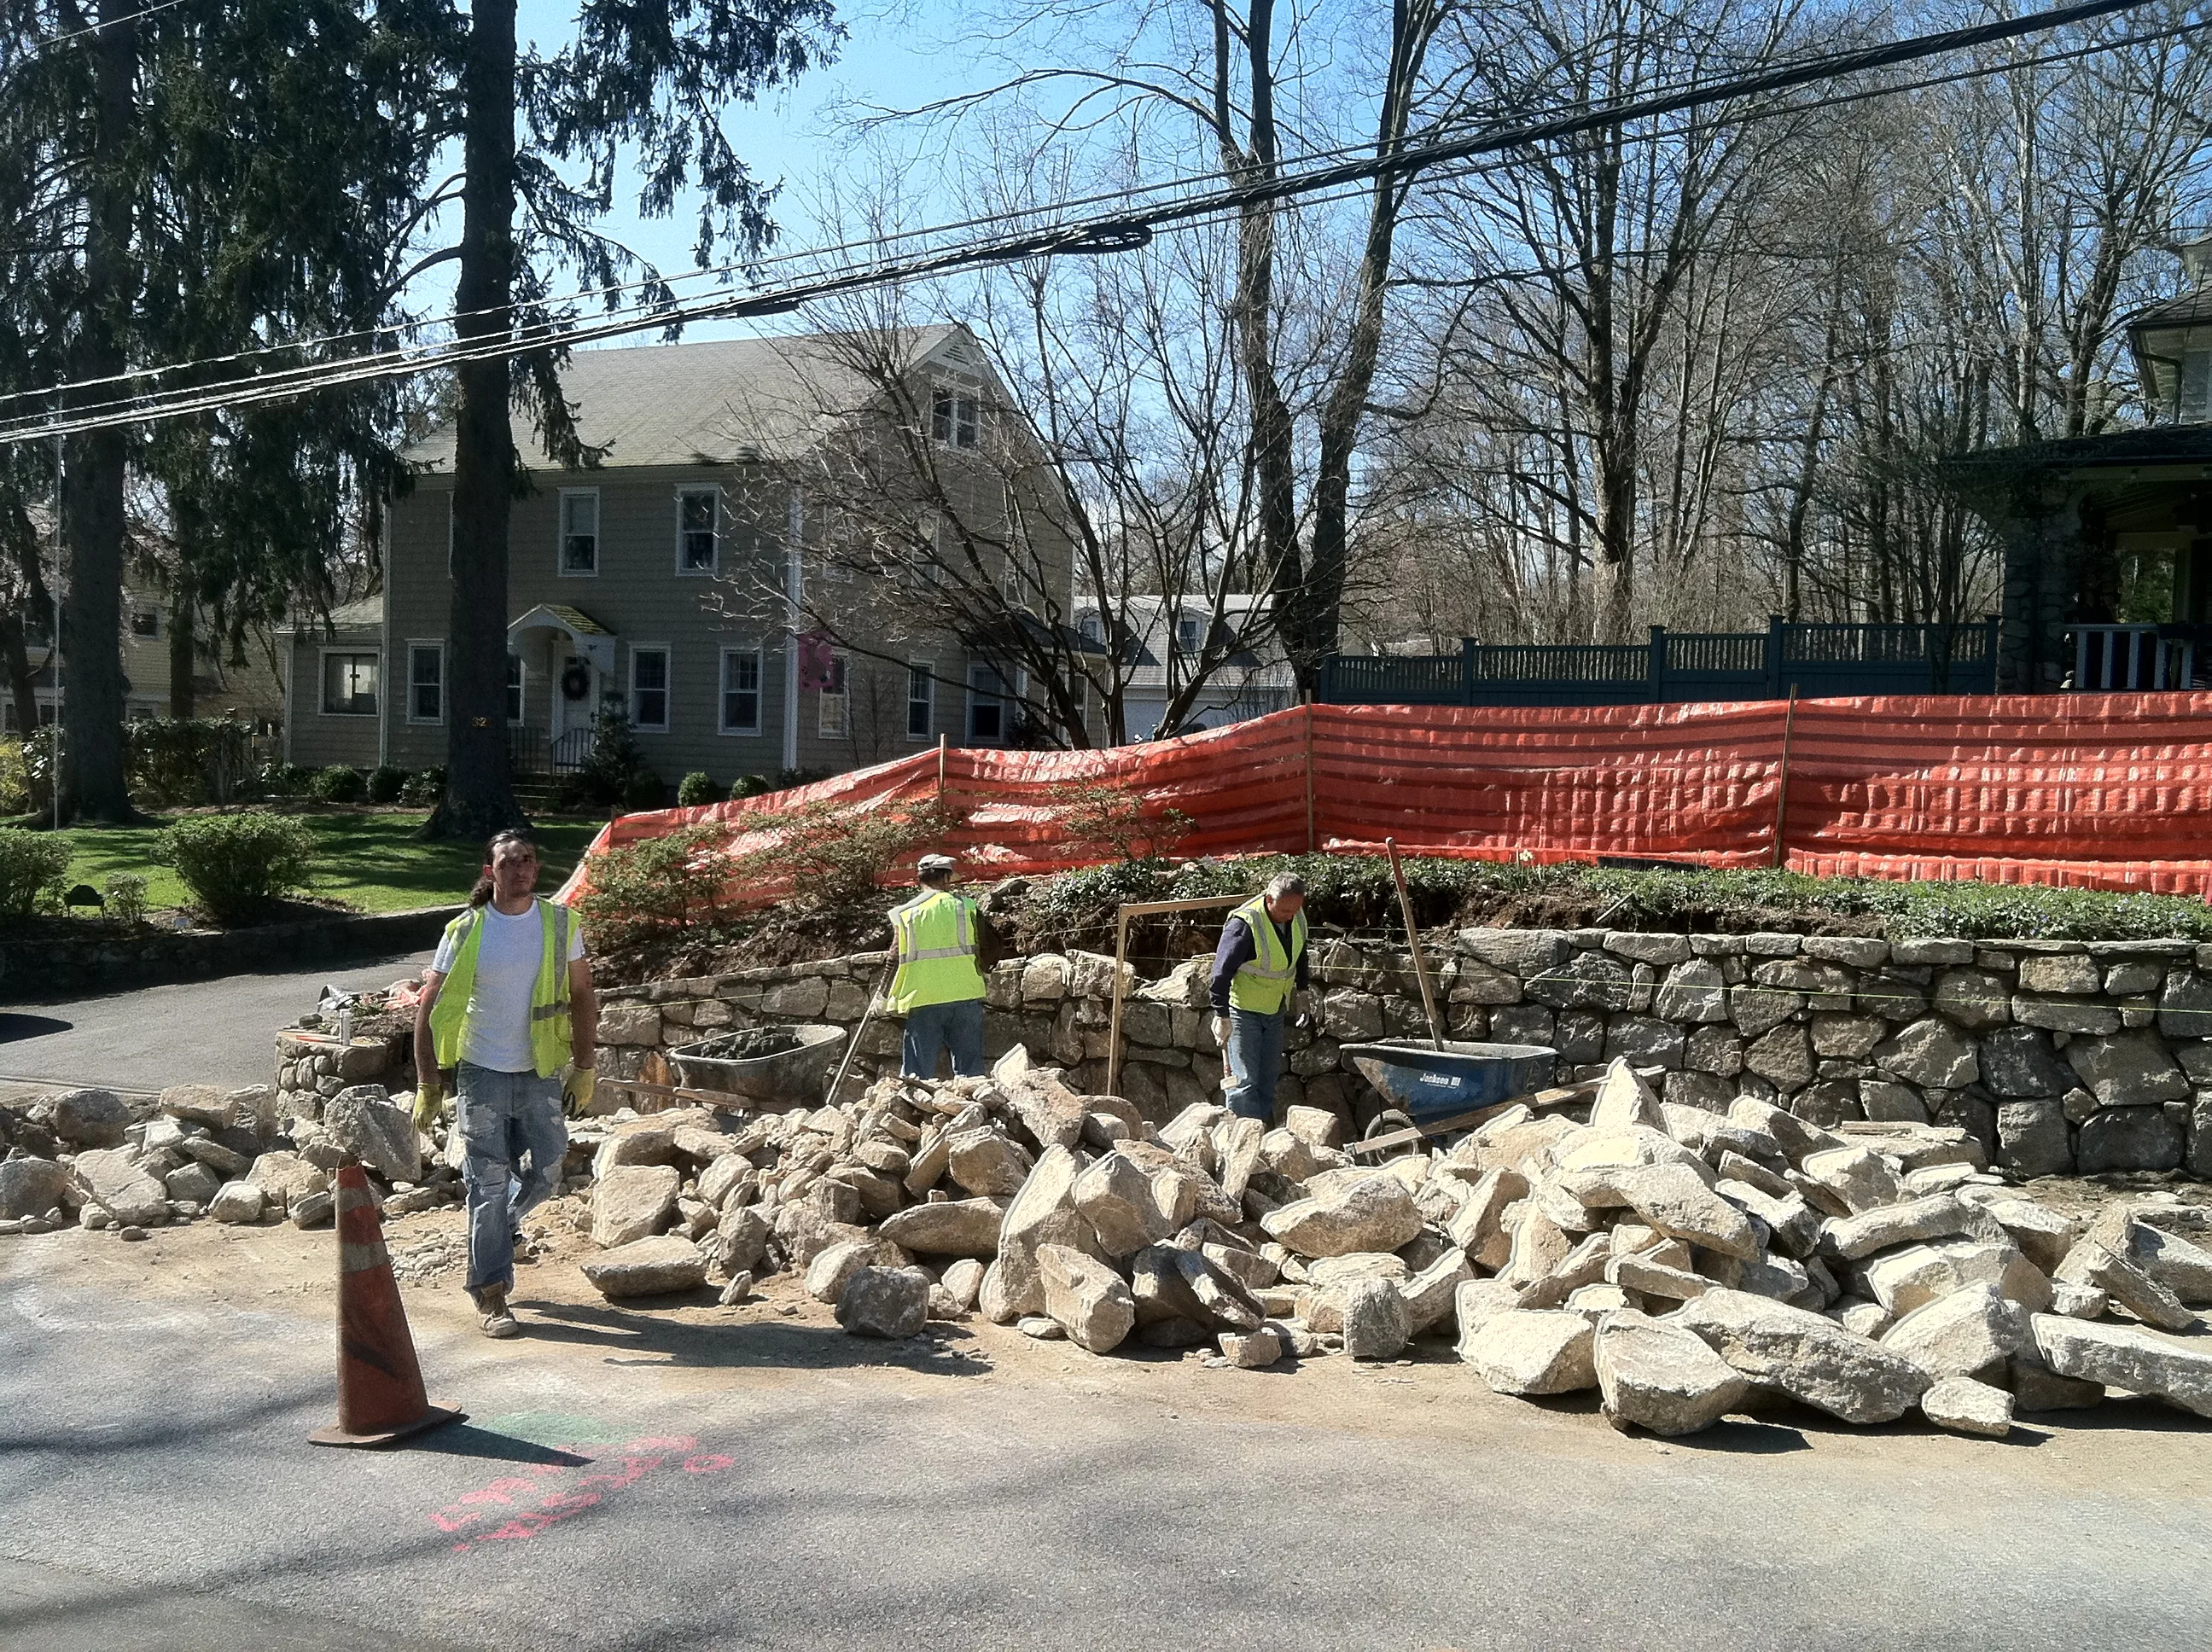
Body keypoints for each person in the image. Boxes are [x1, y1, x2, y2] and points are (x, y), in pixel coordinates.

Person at [410, 830, 598, 1339]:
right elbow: (428, 1005)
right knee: (487, 1185)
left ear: (537, 869)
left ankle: (504, 1224)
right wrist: (429, 1081)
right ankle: (491, 1292)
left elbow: (583, 995)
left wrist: (585, 1065)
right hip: (482, 1073)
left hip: (540, 1070)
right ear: (490, 872)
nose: (519, 869)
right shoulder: (465, 930)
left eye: (528, 860)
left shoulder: (561, 925)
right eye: (508, 862)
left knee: (550, 1167)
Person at [1209, 871, 1312, 1124]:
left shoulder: (1296, 916)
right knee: (1244, 1081)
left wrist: (1303, 992)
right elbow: (1220, 973)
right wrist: (1221, 1015)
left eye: (1295, 910)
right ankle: (1241, 1138)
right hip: (1244, 1011)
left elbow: (1300, 955)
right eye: (1285, 911)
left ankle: (1261, 1133)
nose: (1290, 917)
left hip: (1275, 1008)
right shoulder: (1244, 924)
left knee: (1267, 1078)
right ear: (1269, 900)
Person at [886, 852, 987, 1079]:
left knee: (917, 1075)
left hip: (923, 997)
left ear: (919, 880)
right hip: (966, 993)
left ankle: (914, 1110)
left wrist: (882, 995)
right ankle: (975, 1107)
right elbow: (987, 946)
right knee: (971, 1074)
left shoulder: (905, 913)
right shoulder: (966, 907)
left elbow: (893, 956)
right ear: (946, 879)